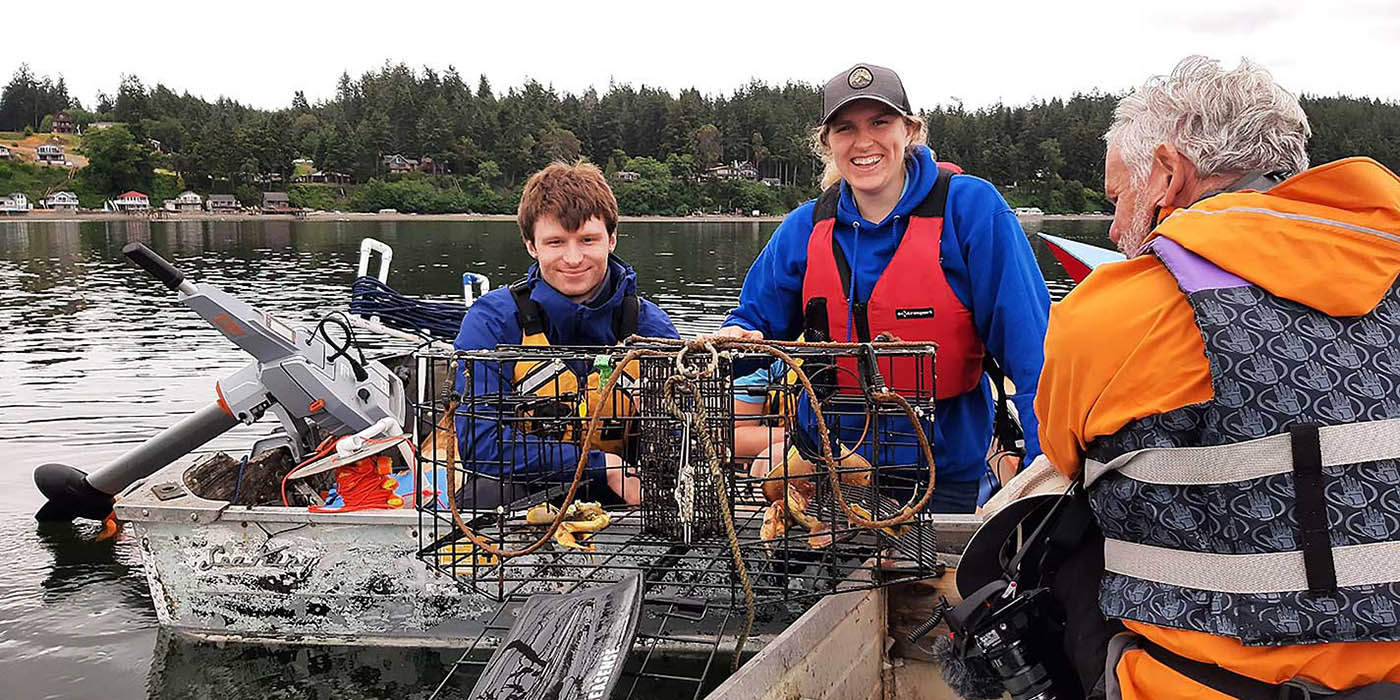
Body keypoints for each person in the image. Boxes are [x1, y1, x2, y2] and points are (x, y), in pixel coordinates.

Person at [1036, 56, 1400, 698]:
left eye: (1119, 196)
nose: (1117, 225)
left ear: (1169, 176)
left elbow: (1063, 455)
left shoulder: (1119, 311)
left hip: (1200, 684)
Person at [718, 63, 1050, 513]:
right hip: (828, 466)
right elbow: (753, 322)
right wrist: (741, 337)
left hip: (943, 469)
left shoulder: (971, 211)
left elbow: (1032, 354)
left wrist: (1039, 469)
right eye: (845, 128)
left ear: (910, 129)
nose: (864, 141)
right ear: (827, 143)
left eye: (880, 122)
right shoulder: (804, 229)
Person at [452, 161, 679, 507]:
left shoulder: (650, 328)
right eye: (556, 242)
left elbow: (681, 436)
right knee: (484, 494)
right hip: (528, 490)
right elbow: (481, 447)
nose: (573, 258)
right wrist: (602, 466)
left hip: (629, 495)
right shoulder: (492, 322)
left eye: (588, 240)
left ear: (611, 238)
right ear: (532, 245)